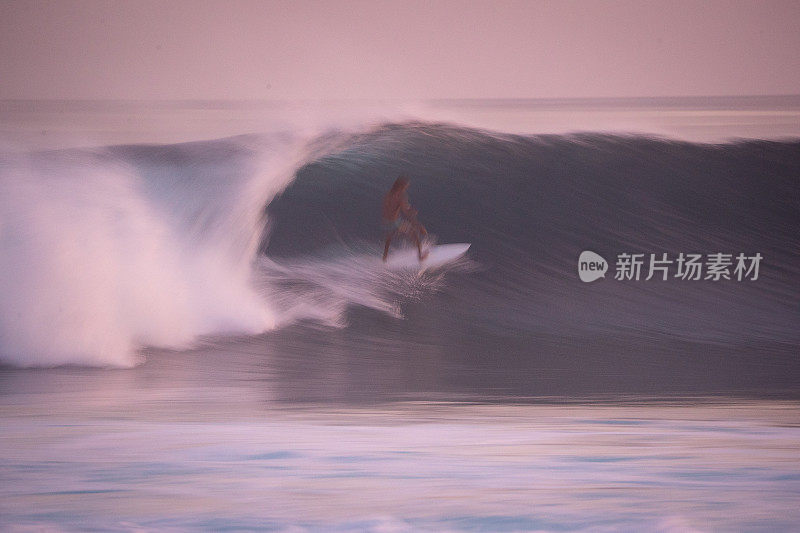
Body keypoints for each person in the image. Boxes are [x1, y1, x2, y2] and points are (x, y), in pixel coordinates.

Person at [382, 176, 429, 261]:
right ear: (401, 186)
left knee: (388, 239)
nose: (406, 187)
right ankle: (420, 256)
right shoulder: (401, 195)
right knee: (414, 234)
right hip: (396, 222)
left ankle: (384, 258)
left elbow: (388, 207)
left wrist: (407, 209)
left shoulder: (388, 193)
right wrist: (419, 225)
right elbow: (406, 211)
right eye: (405, 186)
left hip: (386, 220)